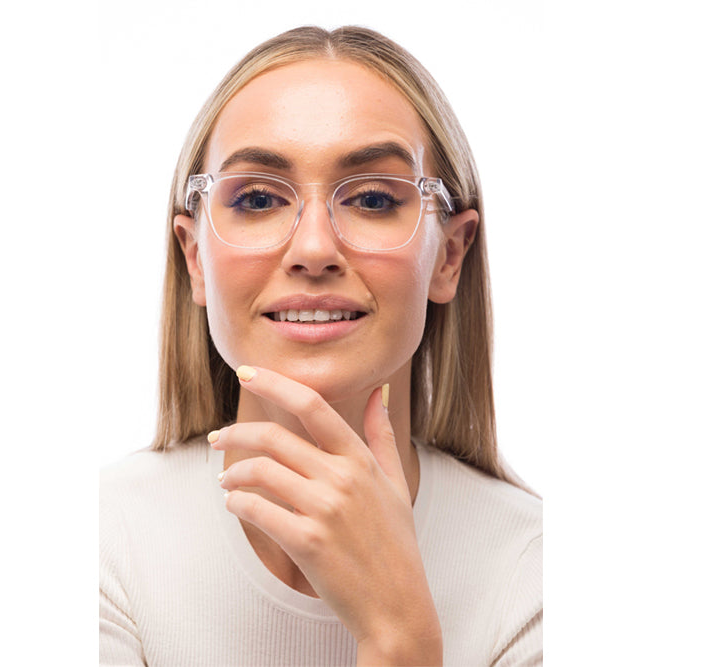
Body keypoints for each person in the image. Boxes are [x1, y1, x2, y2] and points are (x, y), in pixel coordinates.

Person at [100, 25, 542, 666]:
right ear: (196, 259)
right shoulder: (104, 544)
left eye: (371, 198)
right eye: (256, 198)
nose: (312, 249)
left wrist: (399, 636)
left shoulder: (533, 576)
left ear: (449, 255)